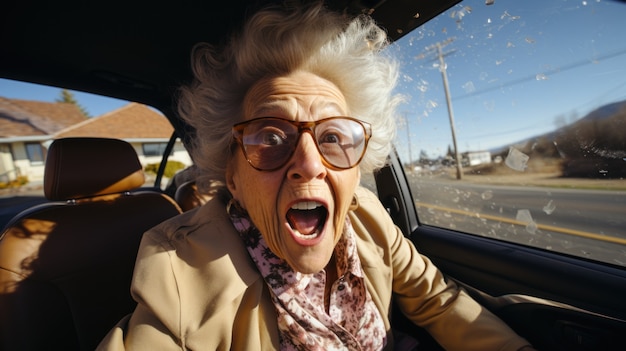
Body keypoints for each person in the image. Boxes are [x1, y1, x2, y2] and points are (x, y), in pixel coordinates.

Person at [98, 2, 536, 350]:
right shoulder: (179, 270)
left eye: (332, 137)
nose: (309, 164)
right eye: (270, 138)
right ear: (232, 176)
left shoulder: (366, 215)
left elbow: (435, 300)